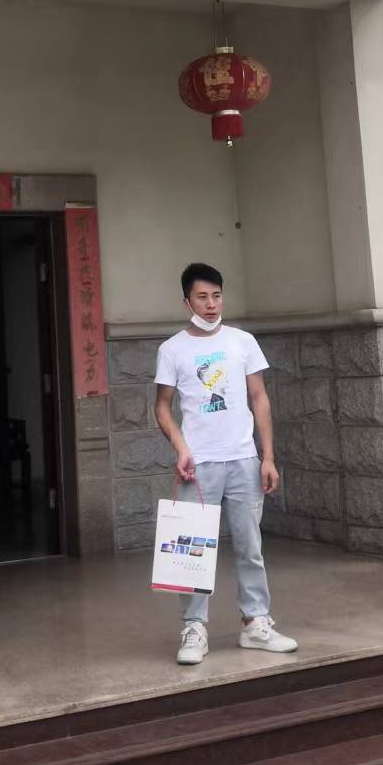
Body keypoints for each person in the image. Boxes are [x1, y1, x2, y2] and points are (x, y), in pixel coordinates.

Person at [154, 262, 299, 666]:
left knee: (250, 547)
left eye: (216, 296)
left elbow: (260, 399)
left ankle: (256, 623)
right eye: (202, 297)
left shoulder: (242, 342)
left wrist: (267, 457)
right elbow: (162, 407)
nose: (211, 304)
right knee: (192, 550)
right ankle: (194, 628)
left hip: (243, 460)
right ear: (186, 301)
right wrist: (181, 448)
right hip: (198, 466)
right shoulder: (172, 349)